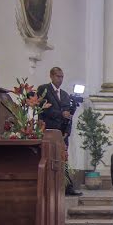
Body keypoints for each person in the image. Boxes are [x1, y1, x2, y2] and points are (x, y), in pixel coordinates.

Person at [37, 67, 80, 195]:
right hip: (49, 131)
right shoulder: (43, 89)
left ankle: (67, 186)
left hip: (62, 133)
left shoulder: (66, 95)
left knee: (64, 158)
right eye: (58, 76)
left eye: (62, 77)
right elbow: (44, 109)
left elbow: (70, 116)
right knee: (49, 158)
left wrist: (67, 131)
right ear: (51, 76)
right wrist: (61, 114)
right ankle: (50, 186)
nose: (60, 79)